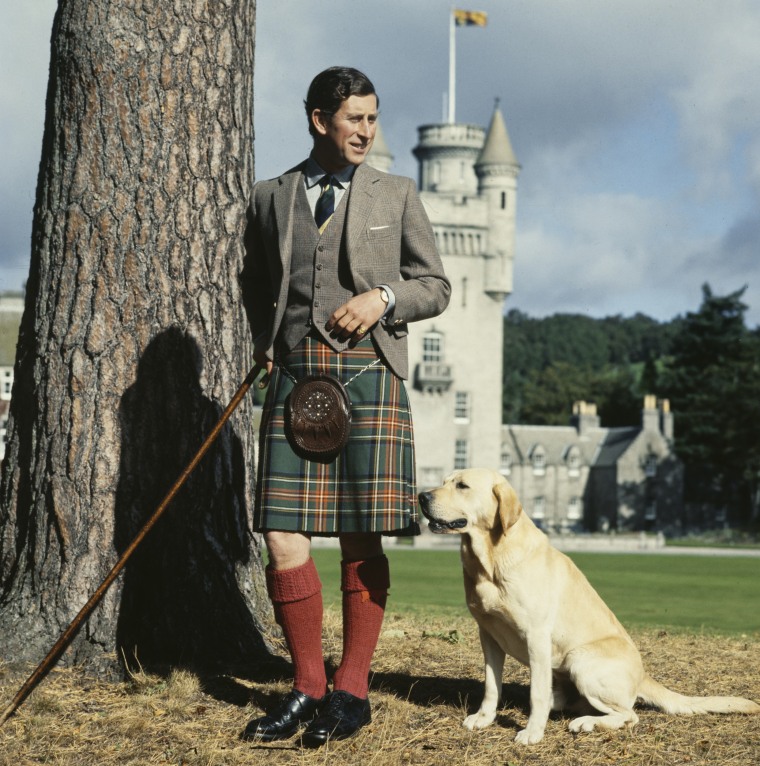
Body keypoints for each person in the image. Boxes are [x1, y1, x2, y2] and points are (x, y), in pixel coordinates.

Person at [240, 66, 450, 747]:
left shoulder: (398, 191)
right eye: (354, 118)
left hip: (369, 377)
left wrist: (384, 298)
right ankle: (307, 686)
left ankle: (352, 690)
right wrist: (267, 343)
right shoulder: (271, 197)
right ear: (318, 119)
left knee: (362, 533)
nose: (367, 130)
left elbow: (436, 286)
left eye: (372, 117)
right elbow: (254, 285)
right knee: (281, 535)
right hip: (296, 379)